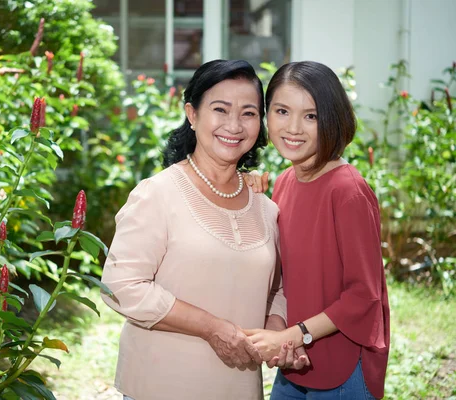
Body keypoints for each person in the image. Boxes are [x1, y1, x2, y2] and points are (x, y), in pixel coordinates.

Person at [100, 59, 307, 400]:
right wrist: (212, 328)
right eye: (220, 110)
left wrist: (274, 332)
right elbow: (120, 286)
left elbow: (278, 290)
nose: (234, 125)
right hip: (161, 385)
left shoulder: (266, 208)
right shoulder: (158, 193)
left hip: (239, 387)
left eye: (249, 113)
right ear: (192, 115)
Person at [245, 61, 391, 399]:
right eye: (282, 111)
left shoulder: (347, 190)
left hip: (343, 368)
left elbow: (363, 297)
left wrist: (294, 335)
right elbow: (285, 274)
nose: (293, 127)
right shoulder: (283, 183)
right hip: (294, 362)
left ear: (333, 120)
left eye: (311, 116)